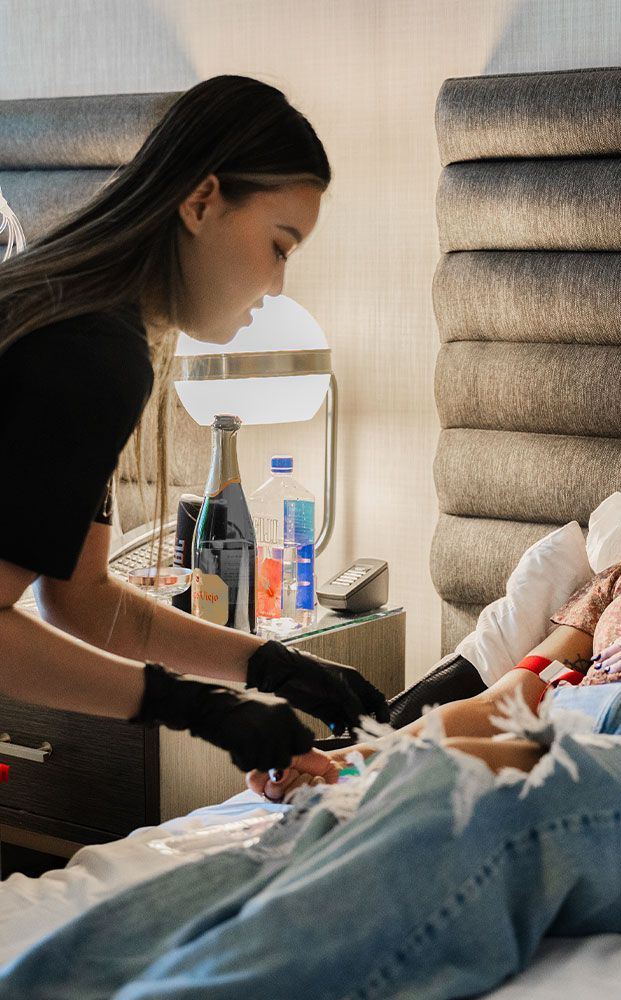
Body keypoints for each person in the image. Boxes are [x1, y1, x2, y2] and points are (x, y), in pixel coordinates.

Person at [1, 363, 621, 1000]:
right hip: (570, 732)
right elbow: (520, 695)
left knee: (510, 790)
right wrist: (355, 763)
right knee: (315, 832)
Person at [0, 76, 388, 777]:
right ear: (203, 201)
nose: (276, 285)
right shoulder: (87, 352)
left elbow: (81, 600)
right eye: (280, 244)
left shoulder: (77, 310)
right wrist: (197, 708)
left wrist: (270, 665)